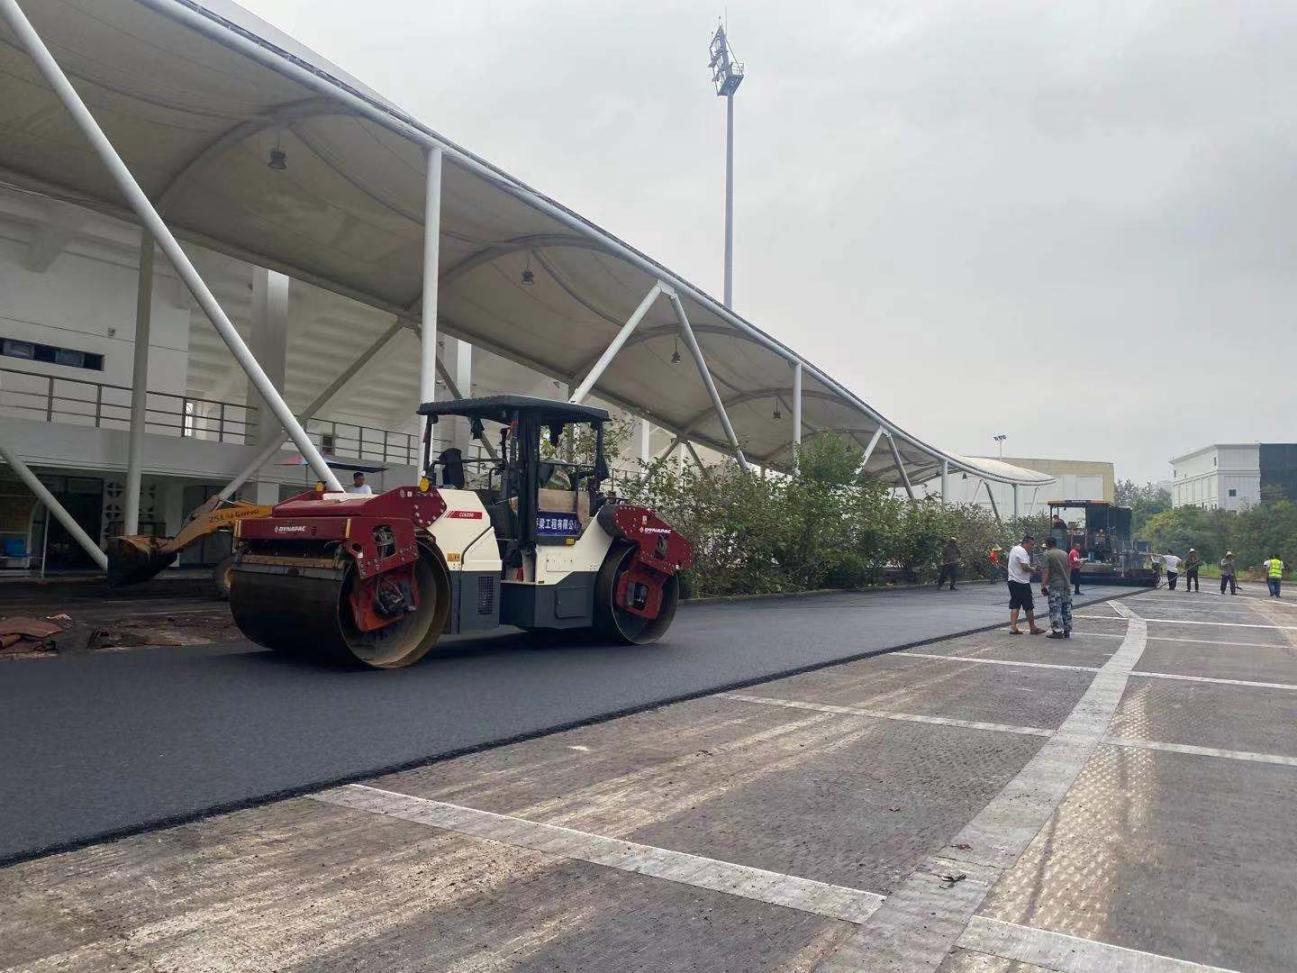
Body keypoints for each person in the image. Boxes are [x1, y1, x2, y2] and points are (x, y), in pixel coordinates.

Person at [1006, 534, 1044, 635]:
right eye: (1031, 544)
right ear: (1025, 543)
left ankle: (1013, 628)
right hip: (1021, 582)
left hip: (1012, 580)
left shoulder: (1015, 549)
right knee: (1028, 606)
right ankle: (1033, 628)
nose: (1032, 547)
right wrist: (1034, 570)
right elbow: (1024, 567)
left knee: (1015, 604)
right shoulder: (1022, 551)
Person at [1041, 536, 1073, 639]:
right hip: (1066, 585)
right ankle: (1067, 630)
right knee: (1066, 608)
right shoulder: (1064, 553)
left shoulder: (1047, 554)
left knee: (1055, 608)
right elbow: (1069, 567)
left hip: (1055, 585)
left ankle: (1057, 631)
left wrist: (1043, 585)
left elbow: (1046, 571)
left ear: (1047, 544)